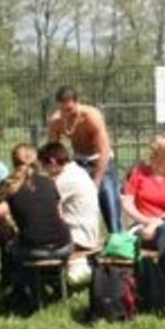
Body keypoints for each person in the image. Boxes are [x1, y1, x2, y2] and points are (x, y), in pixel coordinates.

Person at [0, 143, 74, 314]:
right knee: (28, 241)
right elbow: (58, 213)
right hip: (64, 245)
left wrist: (1, 211)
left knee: (11, 245)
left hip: (34, 249)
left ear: (14, 163)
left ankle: (22, 292)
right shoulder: (49, 182)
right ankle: (54, 289)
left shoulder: (9, 184)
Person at [121, 133, 165, 310]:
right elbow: (127, 203)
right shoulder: (139, 173)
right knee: (162, 233)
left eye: (158, 152)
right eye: (153, 152)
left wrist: (156, 222)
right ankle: (155, 292)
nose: (153, 156)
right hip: (141, 224)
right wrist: (145, 221)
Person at [46, 86, 121, 234]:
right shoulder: (56, 121)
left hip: (100, 159)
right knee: (73, 198)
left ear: (77, 102)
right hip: (79, 161)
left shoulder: (91, 116)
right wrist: (55, 175)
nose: (66, 113)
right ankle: (79, 238)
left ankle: (117, 239)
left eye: (69, 109)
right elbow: (53, 151)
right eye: (62, 110)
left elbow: (104, 150)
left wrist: (97, 181)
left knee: (107, 195)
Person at [38, 141, 101, 251]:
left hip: (77, 237)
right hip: (84, 233)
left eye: (44, 166)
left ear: (52, 162)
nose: (44, 171)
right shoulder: (77, 172)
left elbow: (42, 205)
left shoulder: (65, 179)